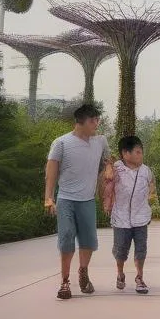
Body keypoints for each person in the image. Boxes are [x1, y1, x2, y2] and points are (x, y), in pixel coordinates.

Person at [44, 103, 110, 300]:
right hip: (66, 199)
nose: (96, 124)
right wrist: (48, 197)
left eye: (98, 120)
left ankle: (83, 272)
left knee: (89, 241)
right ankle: (64, 281)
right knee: (66, 239)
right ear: (80, 121)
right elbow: (51, 172)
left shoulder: (100, 142)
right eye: (93, 120)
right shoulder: (61, 143)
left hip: (87, 200)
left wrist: (108, 168)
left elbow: (108, 160)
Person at [109, 135, 158, 294]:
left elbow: (152, 185)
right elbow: (106, 189)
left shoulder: (146, 170)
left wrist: (151, 196)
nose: (141, 155)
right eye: (137, 152)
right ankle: (120, 273)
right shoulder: (115, 169)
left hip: (141, 217)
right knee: (120, 250)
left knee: (141, 249)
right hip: (120, 218)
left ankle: (139, 277)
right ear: (125, 153)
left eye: (141, 152)